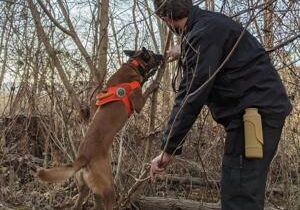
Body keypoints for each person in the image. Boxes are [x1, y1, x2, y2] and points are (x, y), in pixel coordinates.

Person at [150, 1, 292, 210]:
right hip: (259, 110)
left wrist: (168, 148)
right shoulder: (209, 25)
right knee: (242, 190)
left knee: (240, 196)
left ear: (166, 18)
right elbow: (212, 49)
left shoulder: (202, 36)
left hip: (254, 117)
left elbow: (191, 96)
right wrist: (182, 49)